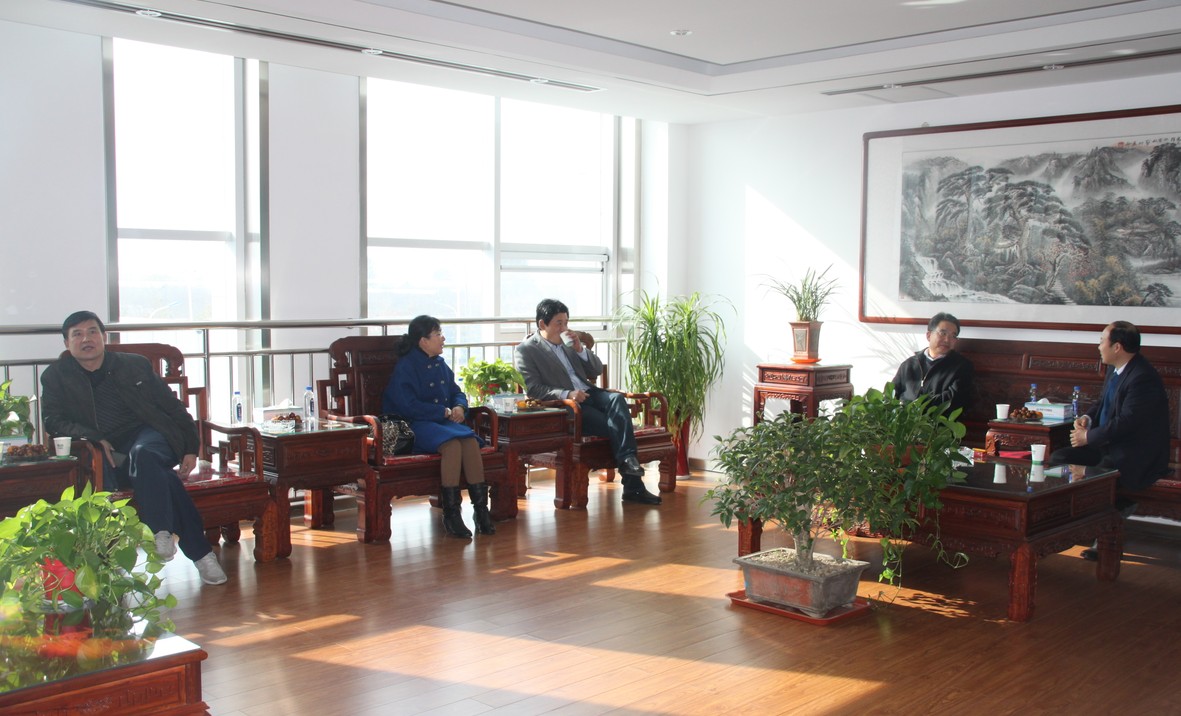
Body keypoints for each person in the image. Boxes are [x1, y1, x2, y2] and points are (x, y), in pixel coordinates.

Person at [40, 311, 228, 585]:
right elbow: (53, 421)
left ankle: (161, 532)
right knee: (164, 478)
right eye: (77, 334)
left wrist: (190, 447)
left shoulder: (134, 365)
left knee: (145, 454)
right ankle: (200, 554)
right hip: (106, 454)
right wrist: (94, 437)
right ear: (67, 343)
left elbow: (172, 406)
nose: (86, 339)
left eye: (92, 332)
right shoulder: (56, 376)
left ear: (104, 337)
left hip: (150, 437)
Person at [515, 298, 662, 505]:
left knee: (616, 398)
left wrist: (580, 350)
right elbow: (534, 389)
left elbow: (596, 370)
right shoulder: (526, 350)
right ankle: (633, 485)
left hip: (591, 394)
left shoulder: (569, 344)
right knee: (618, 425)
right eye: (559, 323)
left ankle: (629, 469)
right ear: (542, 324)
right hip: (570, 406)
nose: (564, 328)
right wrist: (567, 394)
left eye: (566, 322)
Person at [1050, 321, 1170, 559]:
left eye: (1101, 341)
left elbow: (1127, 422)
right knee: (1059, 458)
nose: (1098, 347)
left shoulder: (1142, 377)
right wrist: (1086, 418)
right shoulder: (1115, 369)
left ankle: (1104, 535)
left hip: (1135, 453)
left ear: (1117, 347)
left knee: (1100, 472)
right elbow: (1102, 403)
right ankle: (1106, 511)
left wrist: (1088, 437)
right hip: (1108, 445)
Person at [383, 315, 494, 538]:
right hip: (414, 424)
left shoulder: (439, 363)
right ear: (423, 341)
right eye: (438, 334)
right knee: (452, 445)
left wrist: (460, 407)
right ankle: (451, 514)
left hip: (439, 422)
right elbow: (407, 405)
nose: (443, 338)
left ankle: (481, 510)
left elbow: (456, 392)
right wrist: (441, 411)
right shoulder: (407, 366)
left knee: (470, 441)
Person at [892, 312, 974, 417]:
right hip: (903, 422)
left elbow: (953, 401)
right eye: (943, 333)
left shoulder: (962, 367)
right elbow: (892, 394)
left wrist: (915, 406)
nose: (947, 340)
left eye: (953, 336)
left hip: (937, 424)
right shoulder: (909, 364)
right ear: (929, 335)